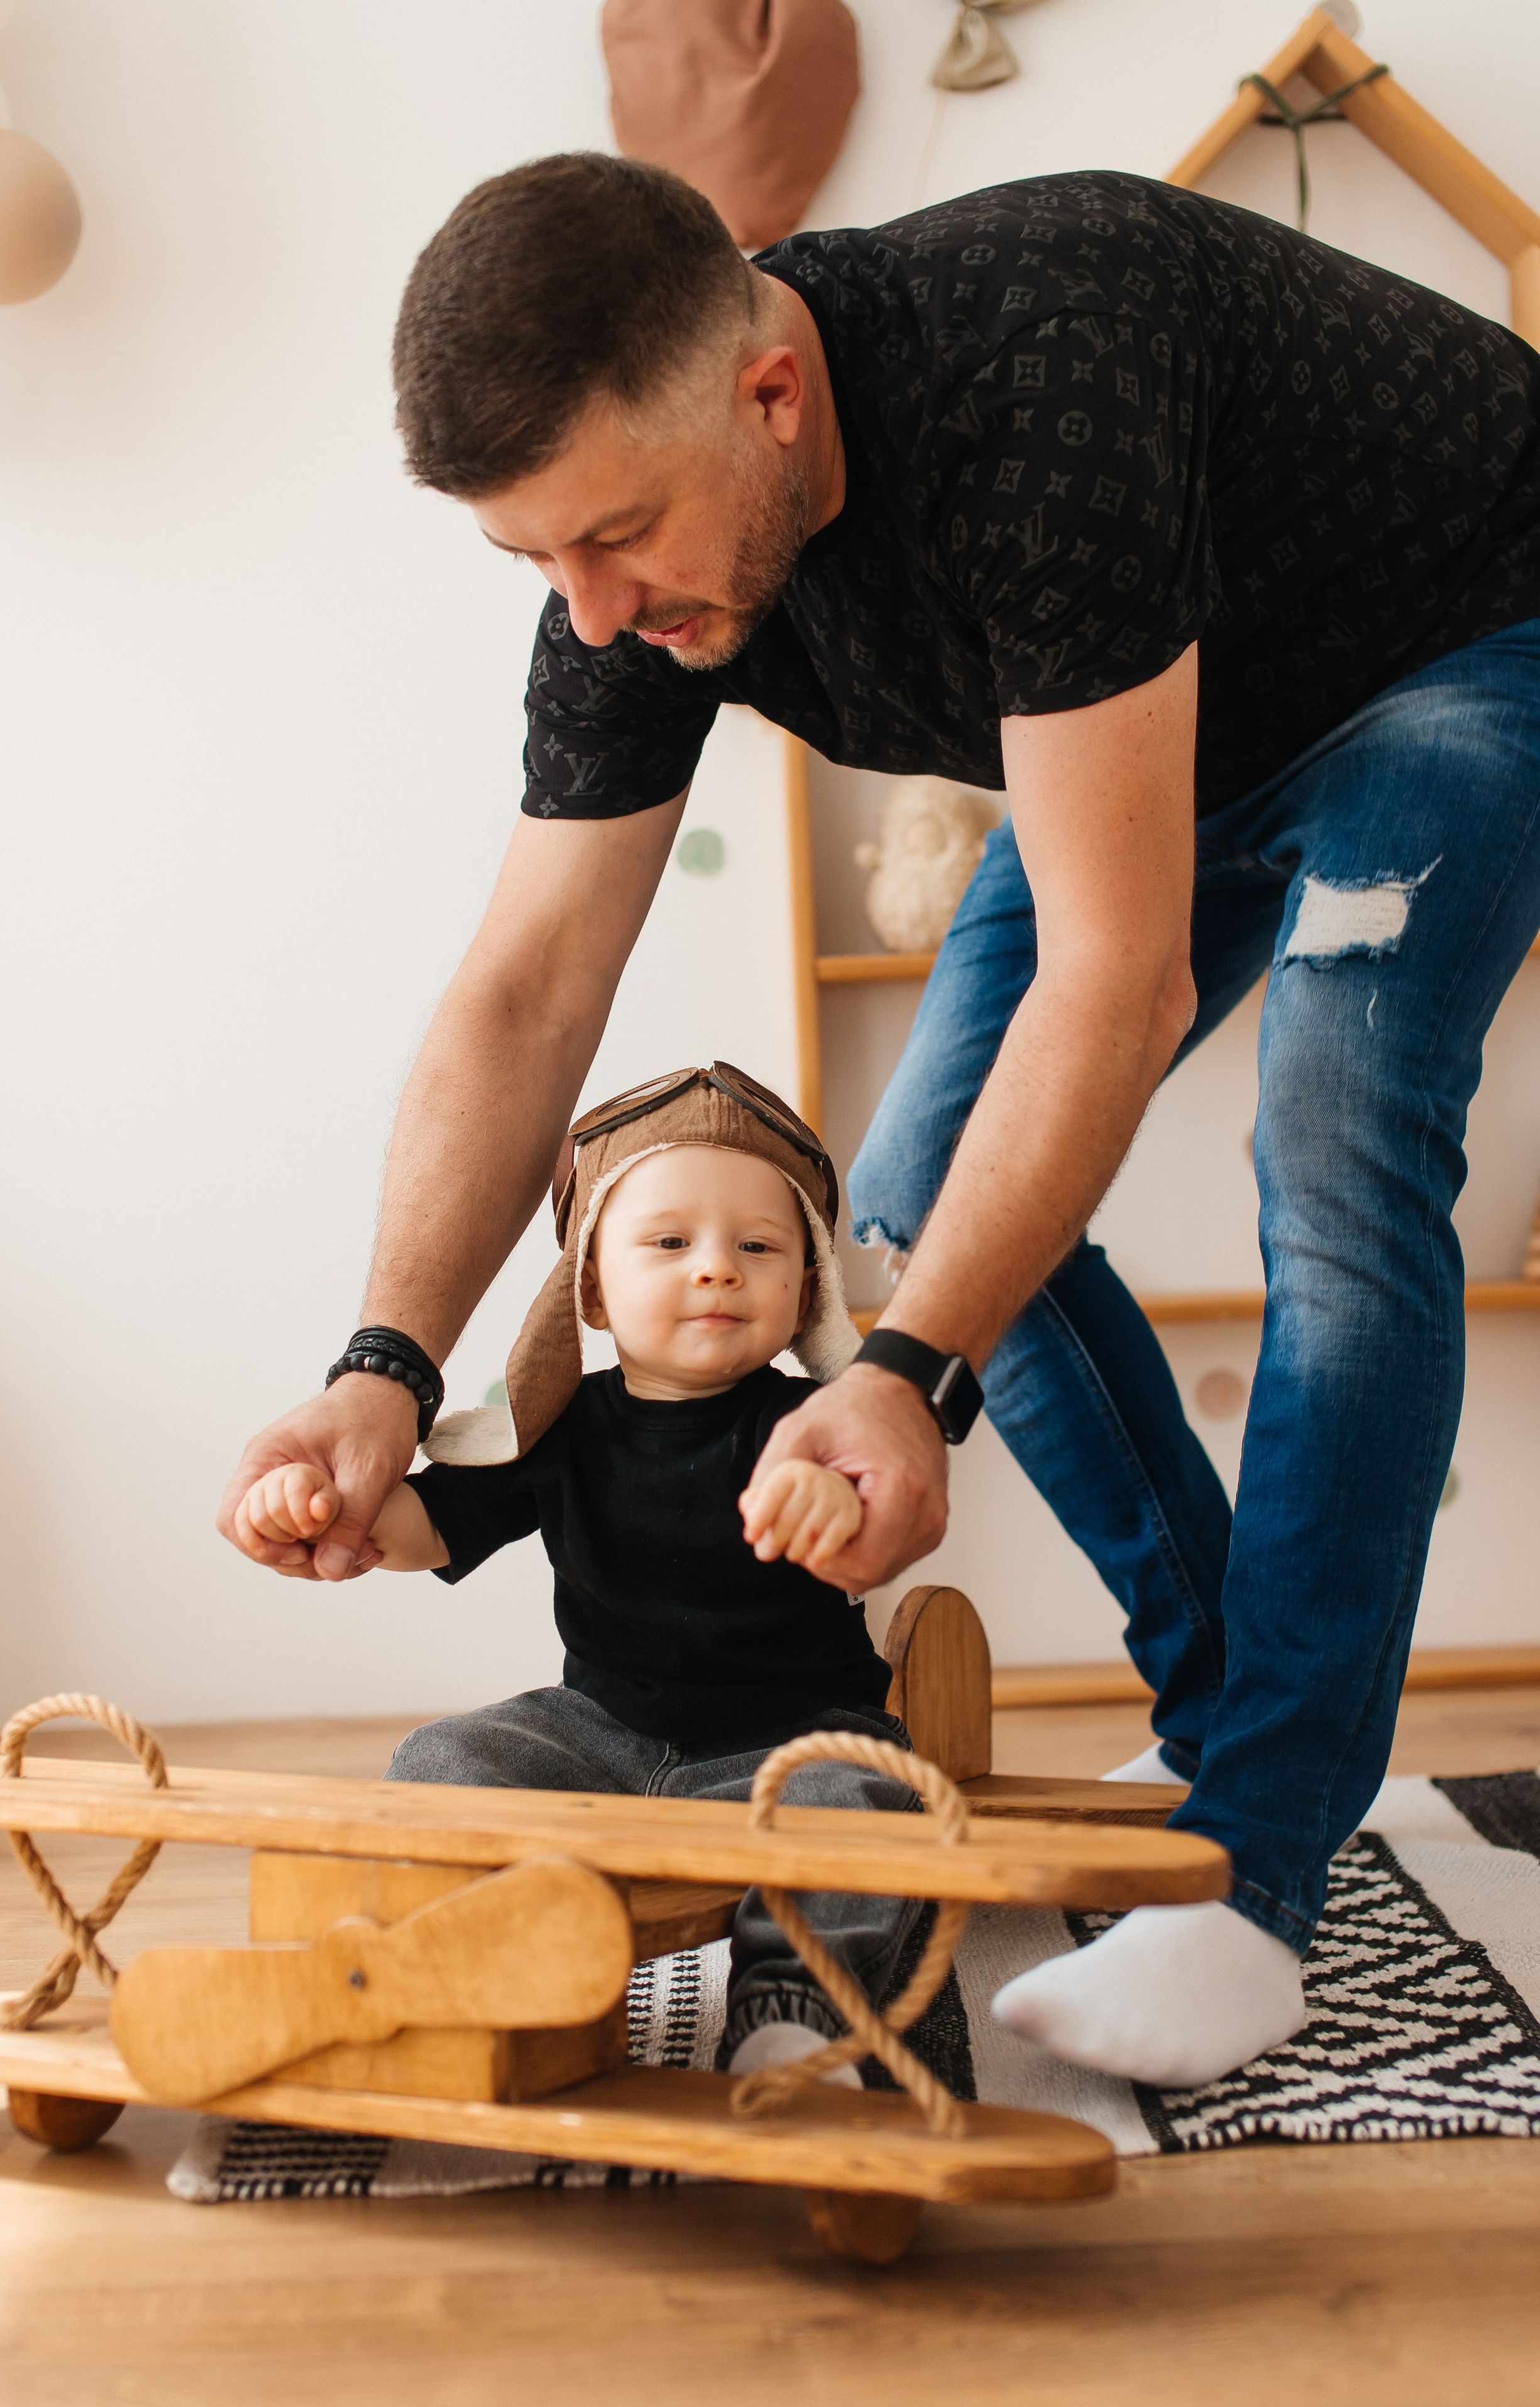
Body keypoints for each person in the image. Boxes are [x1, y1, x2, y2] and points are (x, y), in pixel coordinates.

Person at [220, 155, 1540, 2087]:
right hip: (1169, 712)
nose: (590, 612)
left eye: (616, 538)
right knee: (912, 1217)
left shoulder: (1038, 373)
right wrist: (381, 1369)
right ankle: (1224, 1710)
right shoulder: (627, 586)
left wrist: (907, 1380)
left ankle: (1259, 1874)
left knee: (1338, 1151)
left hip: (1457, 639)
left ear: (770, 392)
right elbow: (526, 990)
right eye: (537, 567)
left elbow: (1120, 979)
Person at [234, 1066, 967, 2088]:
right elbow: (427, 1526)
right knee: (443, 1755)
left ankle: (796, 2012)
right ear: (589, 1285)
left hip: (792, 1742)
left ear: (807, 1288)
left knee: (864, 1808)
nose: (715, 1269)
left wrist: (836, 1503)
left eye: (757, 1247)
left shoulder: (810, 1423)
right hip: (600, 1736)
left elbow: (869, 1492)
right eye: (670, 1244)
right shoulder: (557, 1428)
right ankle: (492, 1963)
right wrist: (325, 1509)